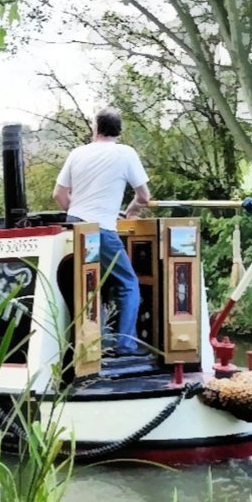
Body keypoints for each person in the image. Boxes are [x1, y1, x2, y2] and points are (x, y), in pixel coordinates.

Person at [53, 108, 151, 357]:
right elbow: (144, 197)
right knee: (128, 283)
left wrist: (76, 212)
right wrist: (128, 213)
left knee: (91, 282)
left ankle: (90, 342)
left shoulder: (78, 153)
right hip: (101, 229)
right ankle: (125, 345)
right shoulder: (125, 153)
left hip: (75, 225)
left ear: (95, 128)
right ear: (119, 130)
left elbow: (59, 195)